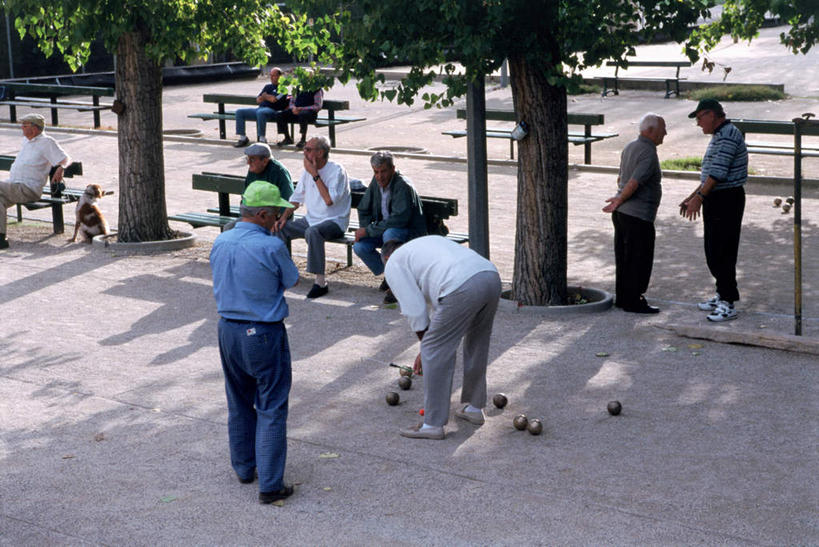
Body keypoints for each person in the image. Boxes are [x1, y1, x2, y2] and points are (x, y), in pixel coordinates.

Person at [209, 181, 299, 505]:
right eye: (275, 213)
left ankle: (245, 467)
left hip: (227, 329)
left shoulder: (221, 241)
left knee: (238, 401)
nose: (278, 218)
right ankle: (271, 485)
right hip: (262, 331)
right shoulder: (271, 246)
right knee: (271, 405)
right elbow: (292, 279)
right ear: (262, 214)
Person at [383, 236, 502, 440]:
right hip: (489, 276)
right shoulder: (423, 245)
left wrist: (426, 347)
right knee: (477, 342)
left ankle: (432, 424)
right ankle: (474, 409)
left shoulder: (394, 263)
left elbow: (415, 311)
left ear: (386, 258)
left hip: (460, 285)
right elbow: (442, 307)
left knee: (434, 349)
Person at [680, 98, 747, 322]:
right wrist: (693, 196)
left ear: (711, 114)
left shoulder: (728, 135)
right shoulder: (720, 135)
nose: (698, 123)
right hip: (716, 197)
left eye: (700, 118)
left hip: (727, 199)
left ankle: (728, 302)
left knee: (723, 250)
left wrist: (699, 198)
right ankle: (722, 293)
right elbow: (710, 174)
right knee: (713, 250)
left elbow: (718, 173)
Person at [602, 113, 667, 314]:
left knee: (624, 258)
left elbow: (620, 178)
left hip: (622, 214)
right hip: (638, 215)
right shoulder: (648, 153)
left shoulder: (630, 146)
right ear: (651, 131)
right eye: (663, 129)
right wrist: (620, 199)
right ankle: (634, 300)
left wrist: (619, 199)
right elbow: (634, 182)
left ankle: (624, 298)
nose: (665, 133)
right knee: (639, 258)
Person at [275, 136, 351, 299]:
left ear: (320, 153)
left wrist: (315, 175)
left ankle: (320, 282)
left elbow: (329, 201)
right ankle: (284, 272)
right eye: (305, 148)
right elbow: (296, 198)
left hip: (335, 221)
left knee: (313, 232)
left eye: (308, 149)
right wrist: (283, 217)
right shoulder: (307, 171)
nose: (304, 152)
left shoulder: (337, 171)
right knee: (279, 228)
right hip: (311, 219)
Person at [353, 151, 426, 304]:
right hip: (384, 230)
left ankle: (395, 285)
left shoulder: (402, 185)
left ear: (393, 169)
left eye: (383, 171)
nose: (380, 176)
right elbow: (364, 209)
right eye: (376, 172)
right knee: (360, 246)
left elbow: (398, 220)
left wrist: (369, 230)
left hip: (409, 232)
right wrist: (365, 230)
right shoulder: (376, 182)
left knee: (390, 234)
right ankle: (391, 274)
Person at [0, 113, 71, 249]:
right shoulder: (26, 141)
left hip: (28, 188)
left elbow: (66, 158)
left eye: (24, 125)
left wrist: (61, 168)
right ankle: (1, 239)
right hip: (14, 186)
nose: (21, 128)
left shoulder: (47, 142)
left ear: (34, 128)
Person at [233, 67, 289, 148]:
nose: (271, 77)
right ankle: (243, 138)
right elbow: (258, 100)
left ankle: (262, 139)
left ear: (280, 76)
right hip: (260, 109)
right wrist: (267, 97)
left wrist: (265, 96)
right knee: (239, 112)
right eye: (270, 75)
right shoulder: (267, 86)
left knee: (261, 113)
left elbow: (273, 100)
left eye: (274, 75)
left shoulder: (283, 89)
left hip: (273, 111)